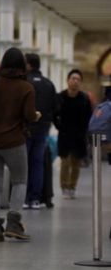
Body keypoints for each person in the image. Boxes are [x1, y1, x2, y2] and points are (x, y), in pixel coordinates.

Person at [0, 48, 40, 242]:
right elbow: (30, 116)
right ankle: (14, 224)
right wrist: (37, 116)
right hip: (14, 142)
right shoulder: (26, 87)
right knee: (20, 181)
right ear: (22, 65)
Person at [24, 53, 58, 209]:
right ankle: (35, 199)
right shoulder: (49, 84)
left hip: (26, 128)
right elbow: (55, 107)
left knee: (24, 163)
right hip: (43, 128)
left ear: (29, 65)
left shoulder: (24, 82)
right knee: (38, 162)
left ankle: (23, 198)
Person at [55, 69, 92, 200]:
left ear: (80, 82)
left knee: (76, 163)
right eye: (73, 78)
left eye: (78, 79)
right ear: (68, 80)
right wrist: (59, 127)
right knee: (65, 162)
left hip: (79, 136)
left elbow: (89, 116)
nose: (75, 81)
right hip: (64, 134)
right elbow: (54, 115)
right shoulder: (60, 97)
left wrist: (85, 132)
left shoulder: (84, 98)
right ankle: (64, 187)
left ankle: (72, 187)